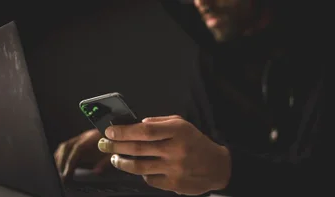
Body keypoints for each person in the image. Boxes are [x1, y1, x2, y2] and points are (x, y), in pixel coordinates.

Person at [55, 0, 328, 196]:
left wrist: (226, 170)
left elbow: (317, 177)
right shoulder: (213, 62)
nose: (200, 3)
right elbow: (204, 145)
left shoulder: (321, 45)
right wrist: (130, 144)